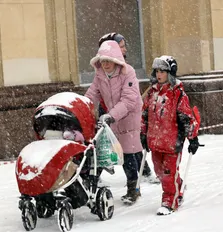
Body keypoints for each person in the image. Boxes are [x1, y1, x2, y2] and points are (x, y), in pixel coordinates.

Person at [141, 55, 201, 215]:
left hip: (172, 142)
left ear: (170, 73)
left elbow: (186, 117)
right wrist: (143, 133)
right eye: (157, 71)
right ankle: (177, 186)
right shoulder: (152, 93)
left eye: (163, 71)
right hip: (155, 141)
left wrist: (192, 137)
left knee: (168, 173)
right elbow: (145, 114)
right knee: (160, 171)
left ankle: (169, 201)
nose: (159, 74)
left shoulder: (177, 94)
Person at [85, 40, 143, 204]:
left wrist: (112, 115)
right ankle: (92, 186)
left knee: (128, 154)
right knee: (102, 153)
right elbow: (92, 93)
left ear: (116, 60)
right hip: (112, 117)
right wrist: (81, 106)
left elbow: (129, 100)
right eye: (102, 61)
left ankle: (133, 189)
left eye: (108, 61)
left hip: (129, 118)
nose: (105, 64)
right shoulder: (100, 75)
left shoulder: (128, 73)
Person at [97, 32, 157, 183]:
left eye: (124, 46)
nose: (124, 50)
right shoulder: (104, 67)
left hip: (124, 112)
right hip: (107, 110)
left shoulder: (126, 69)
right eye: (121, 46)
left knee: (130, 142)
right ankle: (95, 176)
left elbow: (129, 97)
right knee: (102, 142)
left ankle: (143, 173)